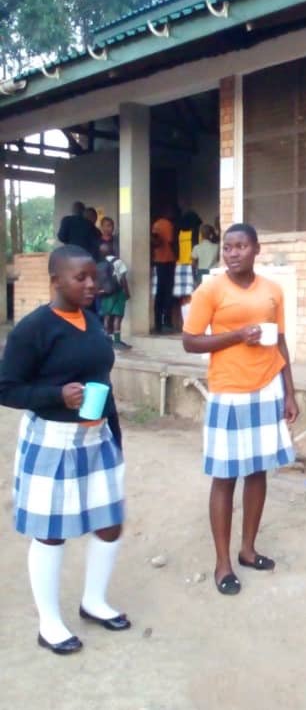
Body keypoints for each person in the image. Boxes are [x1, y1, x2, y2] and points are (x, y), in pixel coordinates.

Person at [0, 245, 129, 655]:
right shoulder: (33, 329)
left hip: (96, 438)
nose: (93, 284)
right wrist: (57, 395)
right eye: (81, 278)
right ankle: (50, 622)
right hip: (52, 440)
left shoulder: (91, 320)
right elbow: (7, 388)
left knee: (109, 524)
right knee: (51, 534)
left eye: (95, 276)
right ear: (56, 281)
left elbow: (101, 377)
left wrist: (115, 434)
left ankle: (93, 601)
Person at [182, 223, 299, 596]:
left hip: (267, 386)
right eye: (228, 248)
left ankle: (248, 550)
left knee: (259, 470)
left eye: (240, 247)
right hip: (228, 390)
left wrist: (290, 392)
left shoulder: (272, 291)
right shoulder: (211, 289)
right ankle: (223, 563)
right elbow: (190, 341)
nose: (232, 253)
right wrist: (236, 335)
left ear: (256, 249)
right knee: (225, 475)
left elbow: (279, 341)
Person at [97, 241, 132, 350]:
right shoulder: (119, 262)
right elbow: (122, 279)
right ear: (113, 250)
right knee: (118, 317)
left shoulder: (98, 264)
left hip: (105, 293)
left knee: (107, 317)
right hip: (118, 292)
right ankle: (117, 341)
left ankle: (107, 341)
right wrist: (127, 291)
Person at [151, 206, 176, 333]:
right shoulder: (168, 225)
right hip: (169, 260)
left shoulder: (156, 225)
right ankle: (167, 322)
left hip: (158, 261)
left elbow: (154, 240)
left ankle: (157, 323)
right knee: (167, 292)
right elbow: (171, 241)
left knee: (159, 293)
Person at [174, 209, 202, 311]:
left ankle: (183, 321)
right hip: (191, 265)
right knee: (192, 294)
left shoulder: (179, 234)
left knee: (182, 296)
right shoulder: (197, 235)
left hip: (179, 266)